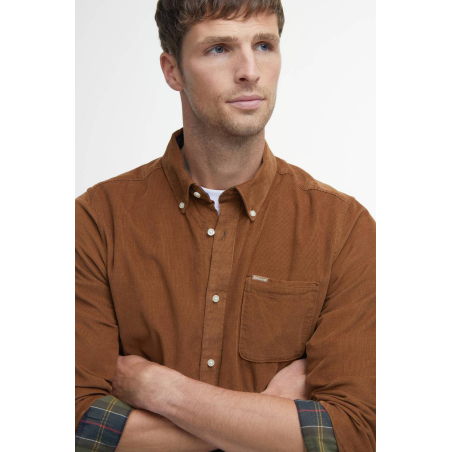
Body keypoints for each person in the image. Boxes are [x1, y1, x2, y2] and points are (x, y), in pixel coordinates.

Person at [75, 1, 376, 451]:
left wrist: (163, 391)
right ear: (173, 71)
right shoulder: (97, 220)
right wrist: (264, 417)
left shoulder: (344, 229)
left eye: (264, 45)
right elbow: (75, 427)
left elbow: (353, 433)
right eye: (219, 49)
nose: (250, 71)